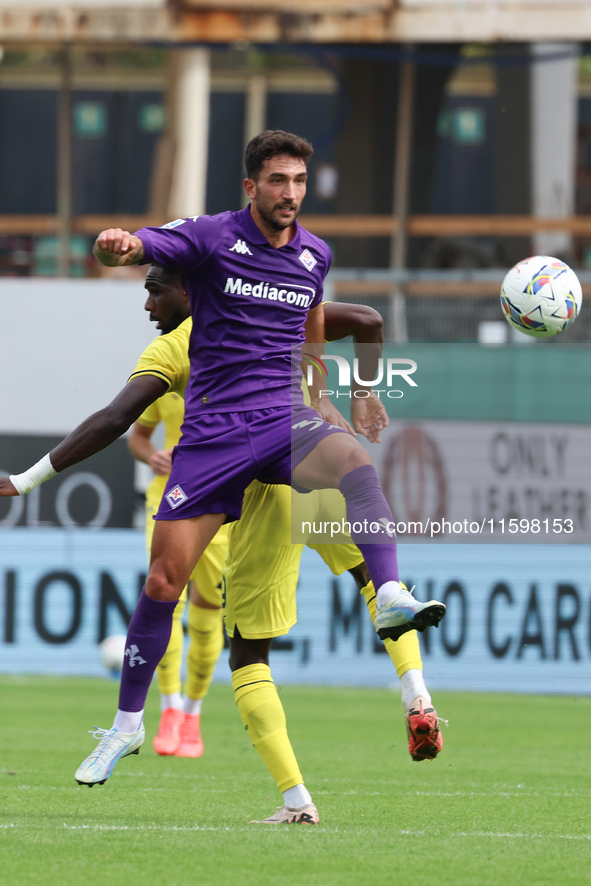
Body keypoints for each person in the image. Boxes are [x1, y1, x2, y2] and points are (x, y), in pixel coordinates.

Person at [3, 129, 446, 806]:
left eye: (299, 181)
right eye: (277, 180)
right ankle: (127, 725)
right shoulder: (211, 241)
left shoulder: (313, 256)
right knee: (164, 581)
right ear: (251, 187)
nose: (290, 193)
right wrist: (118, 245)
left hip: (280, 425)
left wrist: (338, 396)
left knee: (355, 464)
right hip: (213, 441)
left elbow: (316, 331)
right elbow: (145, 248)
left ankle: (392, 601)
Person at [128, 265, 227, 758]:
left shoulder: (231, 353)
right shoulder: (165, 367)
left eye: (155, 293)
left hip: (223, 503)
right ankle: (167, 709)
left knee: (210, 614)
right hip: (169, 496)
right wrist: (152, 456)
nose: (149, 306)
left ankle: (193, 712)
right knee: (165, 597)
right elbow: (137, 435)